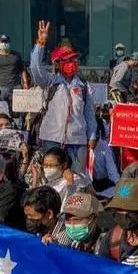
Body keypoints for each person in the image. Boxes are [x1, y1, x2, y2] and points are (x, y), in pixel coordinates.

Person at [29, 20, 97, 174]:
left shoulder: (83, 86)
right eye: (67, 61)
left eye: (74, 60)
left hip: (77, 141)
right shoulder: (50, 81)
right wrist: (40, 43)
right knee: (52, 177)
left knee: (77, 178)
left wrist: (92, 135)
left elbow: (89, 114)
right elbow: (35, 68)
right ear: (58, 64)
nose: (71, 64)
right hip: (52, 139)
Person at [0, 34, 26, 112]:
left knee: (18, 111)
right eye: (2, 42)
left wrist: (25, 82)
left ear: (9, 43)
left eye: (6, 42)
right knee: (3, 111)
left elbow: (22, 70)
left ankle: (18, 124)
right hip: (1, 87)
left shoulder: (16, 55)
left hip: (16, 86)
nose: (4, 44)